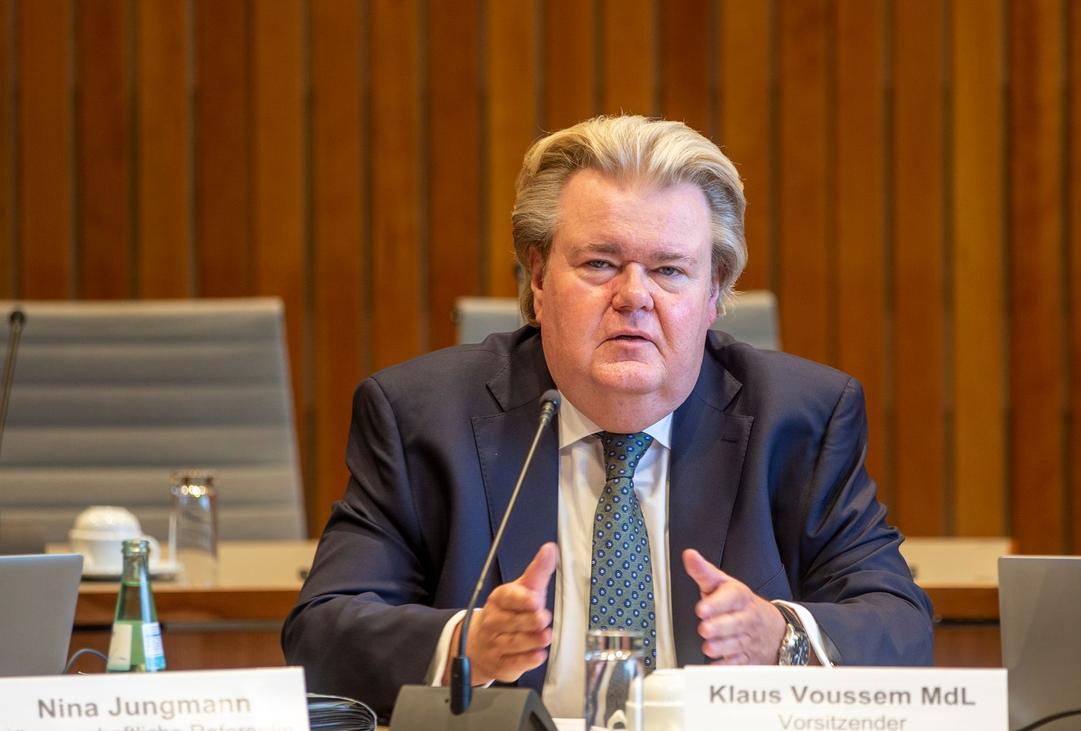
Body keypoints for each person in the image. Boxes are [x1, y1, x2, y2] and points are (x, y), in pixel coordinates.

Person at [282, 115, 933, 719]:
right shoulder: (424, 417)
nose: (633, 296)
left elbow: (901, 626)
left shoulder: (798, 419)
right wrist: (465, 644)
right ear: (538, 278)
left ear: (713, 294)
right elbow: (320, 632)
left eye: (669, 270)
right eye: (599, 263)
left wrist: (779, 638)